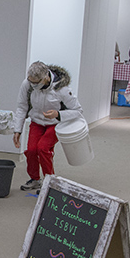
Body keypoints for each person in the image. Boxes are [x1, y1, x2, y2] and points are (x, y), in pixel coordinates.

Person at [13, 62, 82, 193]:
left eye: (36, 83)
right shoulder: (27, 85)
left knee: (43, 149)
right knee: (32, 150)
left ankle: (50, 182)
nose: (33, 85)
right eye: (30, 81)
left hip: (55, 124)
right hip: (36, 122)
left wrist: (58, 114)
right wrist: (18, 130)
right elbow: (22, 107)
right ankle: (34, 180)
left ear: (46, 77)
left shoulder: (62, 89)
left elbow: (78, 110)